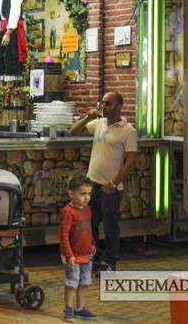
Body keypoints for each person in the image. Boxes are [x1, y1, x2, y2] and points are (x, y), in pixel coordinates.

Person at [69, 91, 138, 276]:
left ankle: (110, 262)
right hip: (92, 185)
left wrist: (114, 183)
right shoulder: (98, 123)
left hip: (110, 188)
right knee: (89, 225)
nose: (103, 107)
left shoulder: (128, 130)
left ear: (118, 107)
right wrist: (86, 118)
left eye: (108, 104)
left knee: (110, 227)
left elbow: (131, 161)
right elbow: (74, 131)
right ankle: (94, 259)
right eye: (102, 103)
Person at [59, 174, 98, 322]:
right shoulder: (68, 212)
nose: (86, 197)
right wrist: (69, 255)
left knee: (84, 282)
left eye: (88, 194)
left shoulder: (87, 209)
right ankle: (68, 309)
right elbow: (63, 235)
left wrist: (92, 243)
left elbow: (88, 229)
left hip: (86, 255)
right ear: (71, 193)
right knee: (71, 282)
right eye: (83, 194)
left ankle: (80, 308)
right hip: (72, 257)